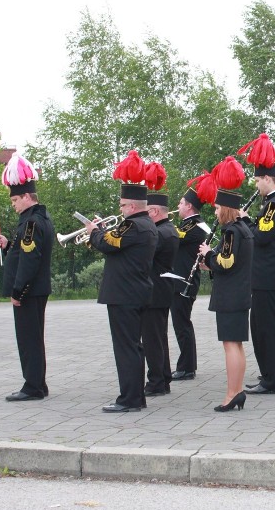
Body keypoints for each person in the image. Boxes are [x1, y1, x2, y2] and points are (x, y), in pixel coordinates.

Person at [86, 150, 157, 413]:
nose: (120, 209)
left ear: (131, 206)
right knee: (134, 347)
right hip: (135, 292)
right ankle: (136, 396)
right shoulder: (145, 224)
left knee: (126, 348)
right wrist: (102, 231)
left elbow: (108, 244)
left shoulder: (133, 225)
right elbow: (115, 241)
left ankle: (129, 399)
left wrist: (95, 232)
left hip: (124, 294)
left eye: (122, 205)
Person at [239, 134, 275, 396]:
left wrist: (244, 220)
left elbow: (261, 236)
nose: (256, 185)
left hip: (269, 276)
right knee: (272, 325)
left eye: (256, 179)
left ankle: (272, 380)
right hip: (274, 275)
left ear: (266, 178)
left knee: (266, 328)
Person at [0, 153, 54, 401]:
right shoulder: (38, 220)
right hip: (37, 289)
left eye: (16, 199)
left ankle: (33, 387)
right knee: (34, 338)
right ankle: (38, 383)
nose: (14, 204)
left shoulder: (31, 223)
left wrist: (18, 291)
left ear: (28, 197)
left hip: (29, 291)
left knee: (29, 341)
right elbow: (24, 252)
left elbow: (30, 261)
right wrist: (9, 245)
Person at [198, 175, 253, 412]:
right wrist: (209, 263)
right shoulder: (243, 229)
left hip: (229, 296)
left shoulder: (231, 232)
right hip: (239, 293)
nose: (216, 212)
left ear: (227, 209)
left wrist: (209, 254)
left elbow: (226, 261)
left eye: (218, 207)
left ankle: (232, 394)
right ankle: (237, 391)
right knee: (236, 345)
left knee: (230, 345)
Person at [169, 183, 210, 382]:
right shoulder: (189, 223)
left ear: (190, 206)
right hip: (179, 280)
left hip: (184, 281)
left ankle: (186, 368)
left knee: (182, 324)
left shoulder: (195, 225)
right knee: (181, 324)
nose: (178, 205)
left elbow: (175, 236)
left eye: (182, 202)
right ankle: (187, 366)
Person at [143, 184, 179, 396]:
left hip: (155, 291)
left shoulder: (160, 233)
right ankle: (163, 377)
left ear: (154, 212)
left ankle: (156, 381)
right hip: (161, 289)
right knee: (158, 337)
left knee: (152, 339)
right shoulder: (167, 229)